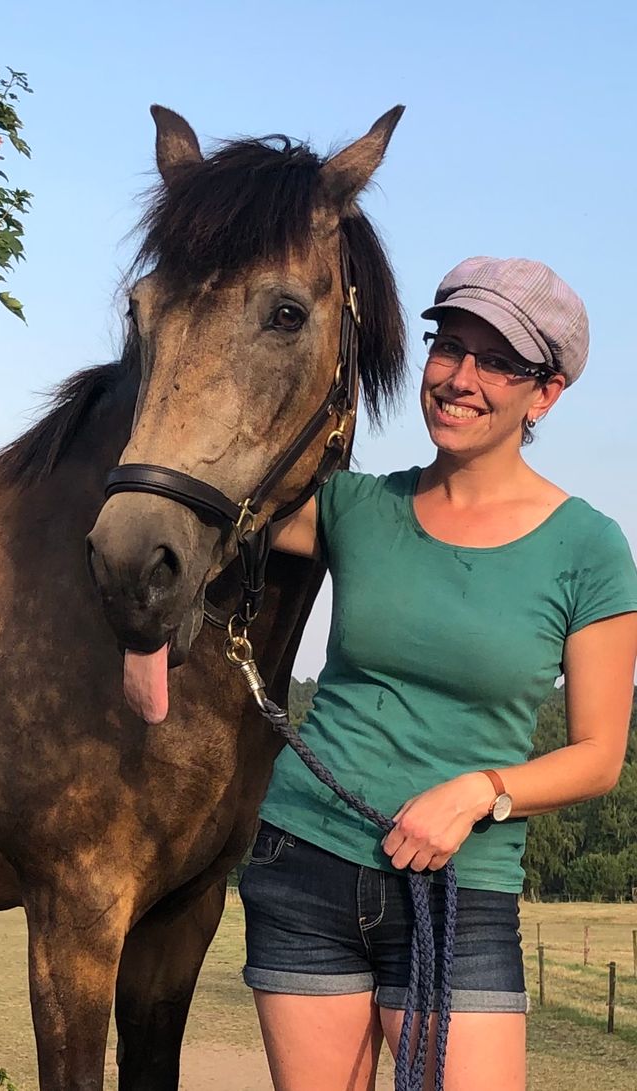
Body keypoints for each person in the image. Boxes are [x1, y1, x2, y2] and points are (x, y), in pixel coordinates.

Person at [238, 256, 637, 1091]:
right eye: (448, 346)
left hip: (462, 888)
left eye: (497, 362)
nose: (459, 378)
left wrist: (477, 791)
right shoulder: (353, 506)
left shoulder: (590, 548)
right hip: (304, 861)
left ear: (546, 394)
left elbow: (599, 756)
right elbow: (215, 502)